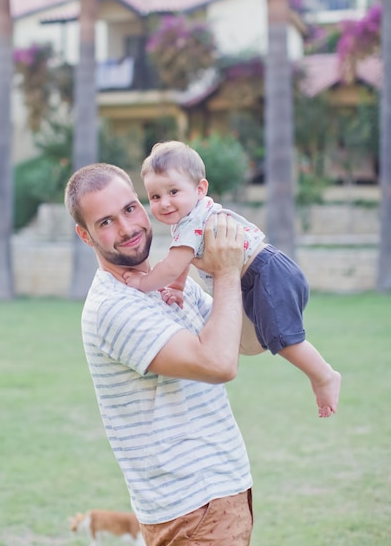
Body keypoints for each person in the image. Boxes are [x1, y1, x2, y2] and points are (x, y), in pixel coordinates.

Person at [64, 162, 255, 546]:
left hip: (224, 492)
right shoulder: (115, 306)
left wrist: (218, 267)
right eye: (105, 221)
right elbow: (219, 363)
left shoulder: (167, 283)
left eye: (131, 208)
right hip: (190, 510)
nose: (128, 227)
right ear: (85, 236)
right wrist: (226, 276)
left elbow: (247, 342)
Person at [124, 141, 341, 418]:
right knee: (253, 337)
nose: (164, 202)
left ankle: (324, 375)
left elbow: (171, 265)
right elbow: (182, 260)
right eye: (154, 197)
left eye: (173, 192)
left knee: (283, 340)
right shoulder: (193, 217)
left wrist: (143, 283)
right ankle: (320, 374)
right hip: (265, 273)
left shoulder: (193, 221)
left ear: (200, 189)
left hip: (265, 275)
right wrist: (177, 288)